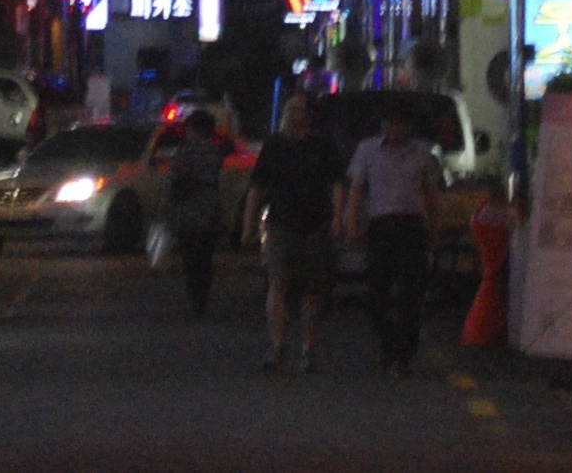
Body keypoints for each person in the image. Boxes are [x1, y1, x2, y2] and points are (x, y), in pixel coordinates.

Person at [241, 94, 346, 371]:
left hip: (316, 225)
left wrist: (338, 218)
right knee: (277, 284)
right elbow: (258, 188)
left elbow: (336, 183)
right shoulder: (274, 146)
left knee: (313, 289)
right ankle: (278, 348)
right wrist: (248, 226)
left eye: (296, 109)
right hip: (280, 224)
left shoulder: (321, 146)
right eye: (288, 109)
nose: (290, 114)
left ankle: (308, 349)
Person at [342, 105, 444, 379]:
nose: (395, 129)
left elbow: (431, 194)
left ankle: (403, 356)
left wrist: (435, 231)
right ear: (383, 126)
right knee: (376, 294)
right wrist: (351, 222)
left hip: (411, 227)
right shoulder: (368, 150)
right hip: (380, 226)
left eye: (400, 123)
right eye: (390, 123)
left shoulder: (422, 153)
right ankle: (389, 342)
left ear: (409, 127)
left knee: (411, 295)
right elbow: (356, 189)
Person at [160, 109, 227, 316]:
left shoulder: (185, 151)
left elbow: (172, 181)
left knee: (190, 259)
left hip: (188, 214)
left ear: (193, 129)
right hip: (209, 213)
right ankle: (202, 297)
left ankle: (195, 299)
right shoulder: (214, 153)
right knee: (205, 258)